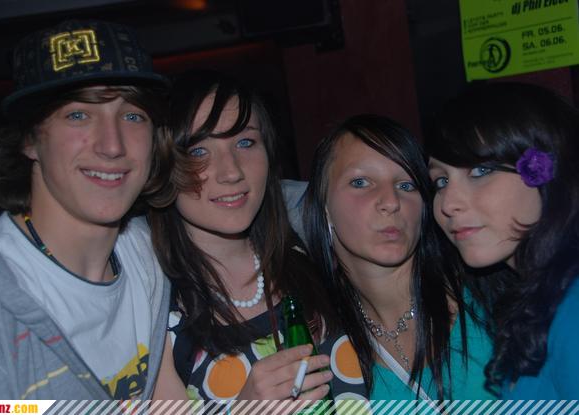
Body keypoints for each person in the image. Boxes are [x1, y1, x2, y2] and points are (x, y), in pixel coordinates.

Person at [0, 19, 175, 399]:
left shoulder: (146, 254)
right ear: (29, 140)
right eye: (78, 114)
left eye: (132, 116)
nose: (112, 146)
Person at [149, 71, 369, 403]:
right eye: (198, 151)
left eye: (245, 143)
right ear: (164, 165)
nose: (232, 172)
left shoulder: (314, 249)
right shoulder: (155, 315)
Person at [303, 114, 495, 400]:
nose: (391, 202)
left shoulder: (488, 300)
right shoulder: (318, 350)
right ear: (324, 206)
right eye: (361, 182)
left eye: (407, 185)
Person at [427, 82, 579, 399]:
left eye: (480, 170)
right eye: (440, 181)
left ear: (547, 171)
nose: (447, 203)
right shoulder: (533, 302)